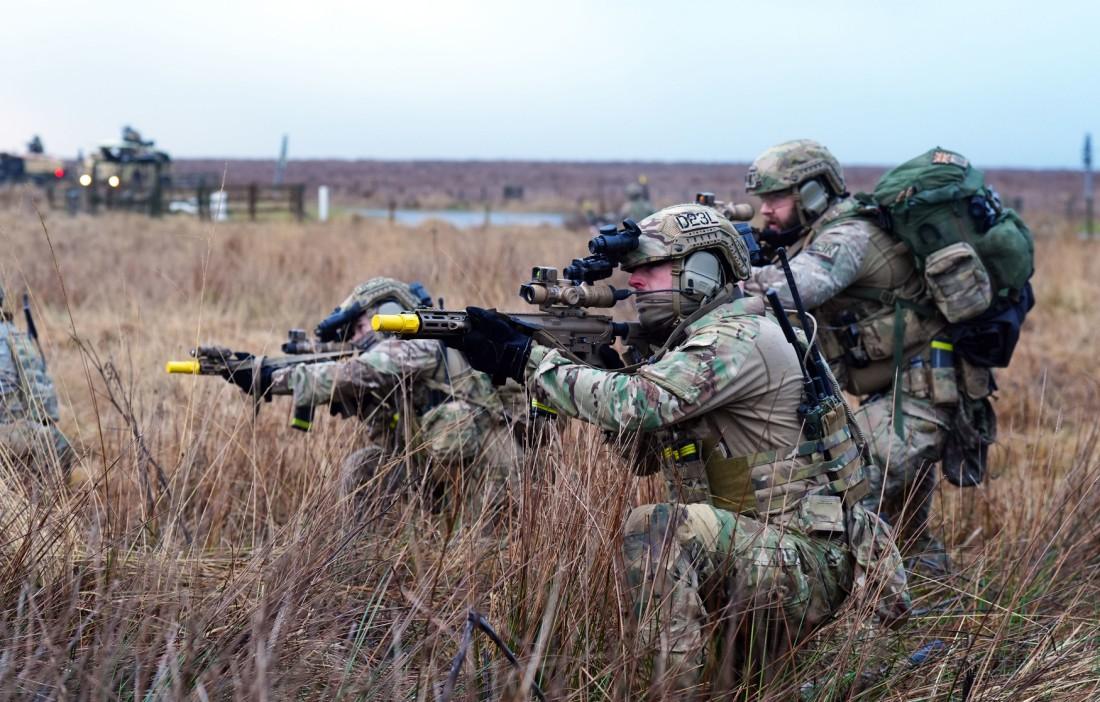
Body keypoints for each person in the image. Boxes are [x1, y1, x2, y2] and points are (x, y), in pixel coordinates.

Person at [451, 204, 909, 692]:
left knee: (658, 529)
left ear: (701, 270)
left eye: (650, 267)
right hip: (763, 556)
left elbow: (637, 404)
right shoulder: (695, 345)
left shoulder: (739, 337)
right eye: (633, 270)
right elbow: (644, 457)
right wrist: (601, 371)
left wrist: (529, 361)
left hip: (807, 561)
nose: (634, 281)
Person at [743, 139, 966, 572]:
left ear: (813, 192)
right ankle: (931, 598)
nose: (764, 210)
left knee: (838, 493)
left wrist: (718, 276)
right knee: (905, 532)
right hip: (896, 397)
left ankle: (857, 602)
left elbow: (792, 290)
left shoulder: (848, 235)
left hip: (919, 399)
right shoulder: (819, 234)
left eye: (775, 197)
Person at [264, 278, 523, 514]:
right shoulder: (400, 362)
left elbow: (356, 372)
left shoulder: (422, 343)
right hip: (439, 473)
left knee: (490, 542)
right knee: (364, 467)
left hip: (492, 474)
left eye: (360, 327)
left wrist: (267, 378)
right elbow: (387, 433)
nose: (357, 339)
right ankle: (362, 542)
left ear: (389, 315)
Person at [0, 283, 73, 485]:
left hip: (10, 437)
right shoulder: (16, 337)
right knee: (59, 445)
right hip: (26, 434)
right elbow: (48, 410)